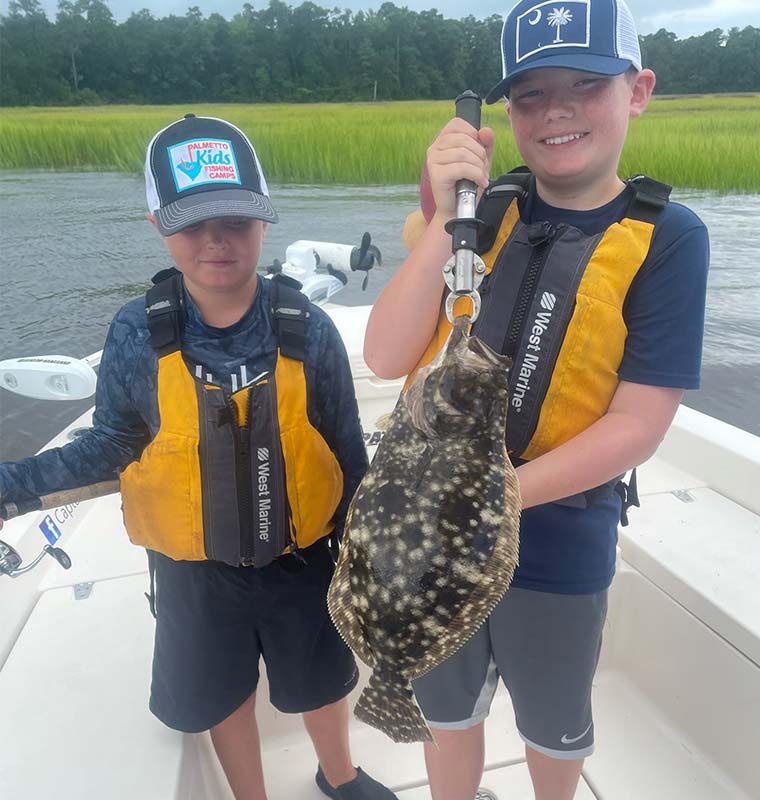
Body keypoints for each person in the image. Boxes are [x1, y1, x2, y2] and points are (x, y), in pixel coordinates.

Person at [363, 0, 709, 797]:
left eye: (585, 85)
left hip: (559, 539)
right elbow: (385, 354)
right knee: (445, 711)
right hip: (426, 537)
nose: (556, 111)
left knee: (553, 720)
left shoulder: (671, 238)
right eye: (529, 95)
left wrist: (491, 496)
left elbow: (637, 424)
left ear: (639, 89)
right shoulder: (478, 213)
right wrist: (440, 201)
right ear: (509, 112)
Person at [0, 114, 396, 800]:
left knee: (321, 681)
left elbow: (345, 451)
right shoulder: (136, 330)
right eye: (192, 222)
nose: (217, 241)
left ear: (264, 224)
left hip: (304, 559)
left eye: (237, 221)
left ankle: (342, 775)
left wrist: (378, 554)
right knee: (223, 698)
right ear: (158, 221)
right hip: (193, 573)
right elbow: (113, 443)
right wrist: (16, 484)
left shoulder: (308, 327)